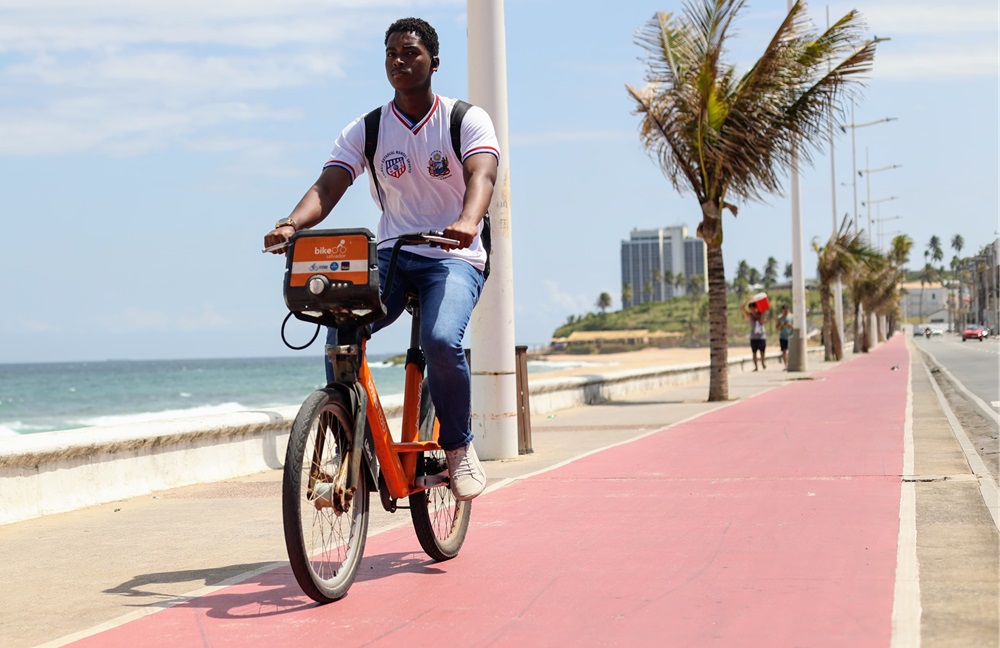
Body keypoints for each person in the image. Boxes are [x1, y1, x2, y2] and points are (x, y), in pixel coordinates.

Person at [264, 17, 499, 501]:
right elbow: (328, 184)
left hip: (453, 256)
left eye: (411, 52)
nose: (400, 60)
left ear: (433, 62)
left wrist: (468, 221)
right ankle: (349, 449)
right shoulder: (368, 129)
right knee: (341, 332)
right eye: (392, 52)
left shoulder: (464, 119)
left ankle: (458, 447)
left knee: (439, 339)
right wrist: (291, 224)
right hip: (393, 254)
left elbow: (482, 176)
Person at [740, 298, 767, 371]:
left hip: (761, 336)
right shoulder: (750, 316)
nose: (752, 310)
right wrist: (747, 300)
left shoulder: (761, 314)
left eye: (753, 308)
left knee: (762, 352)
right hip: (753, 336)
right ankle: (756, 366)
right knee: (754, 352)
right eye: (750, 308)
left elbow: (763, 321)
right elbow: (742, 308)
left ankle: (763, 363)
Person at [776, 304, 793, 368]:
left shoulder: (792, 317)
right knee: (784, 351)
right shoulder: (779, 318)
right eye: (784, 310)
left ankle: (791, 363)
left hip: (791, 336)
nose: (785, 311)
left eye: (786, 310)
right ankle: (786, 365)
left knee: (791, 351)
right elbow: (777, 328)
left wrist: (790, 325)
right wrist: (782, 325)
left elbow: (795, 327)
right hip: (783, 336)